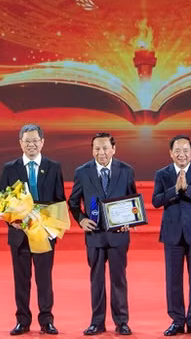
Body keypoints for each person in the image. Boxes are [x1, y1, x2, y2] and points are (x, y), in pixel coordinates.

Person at [0, 124, 66, 335]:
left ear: (42, 142)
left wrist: (51, 228)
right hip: (19, 234)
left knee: (44, 279)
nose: (31, 145)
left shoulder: (53, 166)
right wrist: (11, 220)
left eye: (35, 140)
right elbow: (2, 200)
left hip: (44, 234)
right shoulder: (10, 168)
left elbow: (59, 200)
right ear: (20, 143)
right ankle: (22, 321)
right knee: (21, 279)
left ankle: (46, 321)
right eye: (27, 141)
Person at [68, 132, 137, 336]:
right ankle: (97, 322)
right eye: (97, 148)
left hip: (118, 235)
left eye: (105, 148)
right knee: (96, 280)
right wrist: (81, 219)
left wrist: (130, 221)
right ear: (92, 150)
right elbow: (73, 202)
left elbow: (133, 200)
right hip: (94, 236)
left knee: (119, 279)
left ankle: (122, 322)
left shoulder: (126, 170)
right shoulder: (82, 172)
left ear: (113, 149)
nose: (101, 152)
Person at [152, 135, 191, 336]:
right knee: (173, 280)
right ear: (171, 153)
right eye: (177, 150)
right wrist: (174, 189)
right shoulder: (162, 174)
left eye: (186, 150)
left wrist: (188, 189)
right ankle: (177, 321)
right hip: (172, 234)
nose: (182, 154)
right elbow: (156, 201)